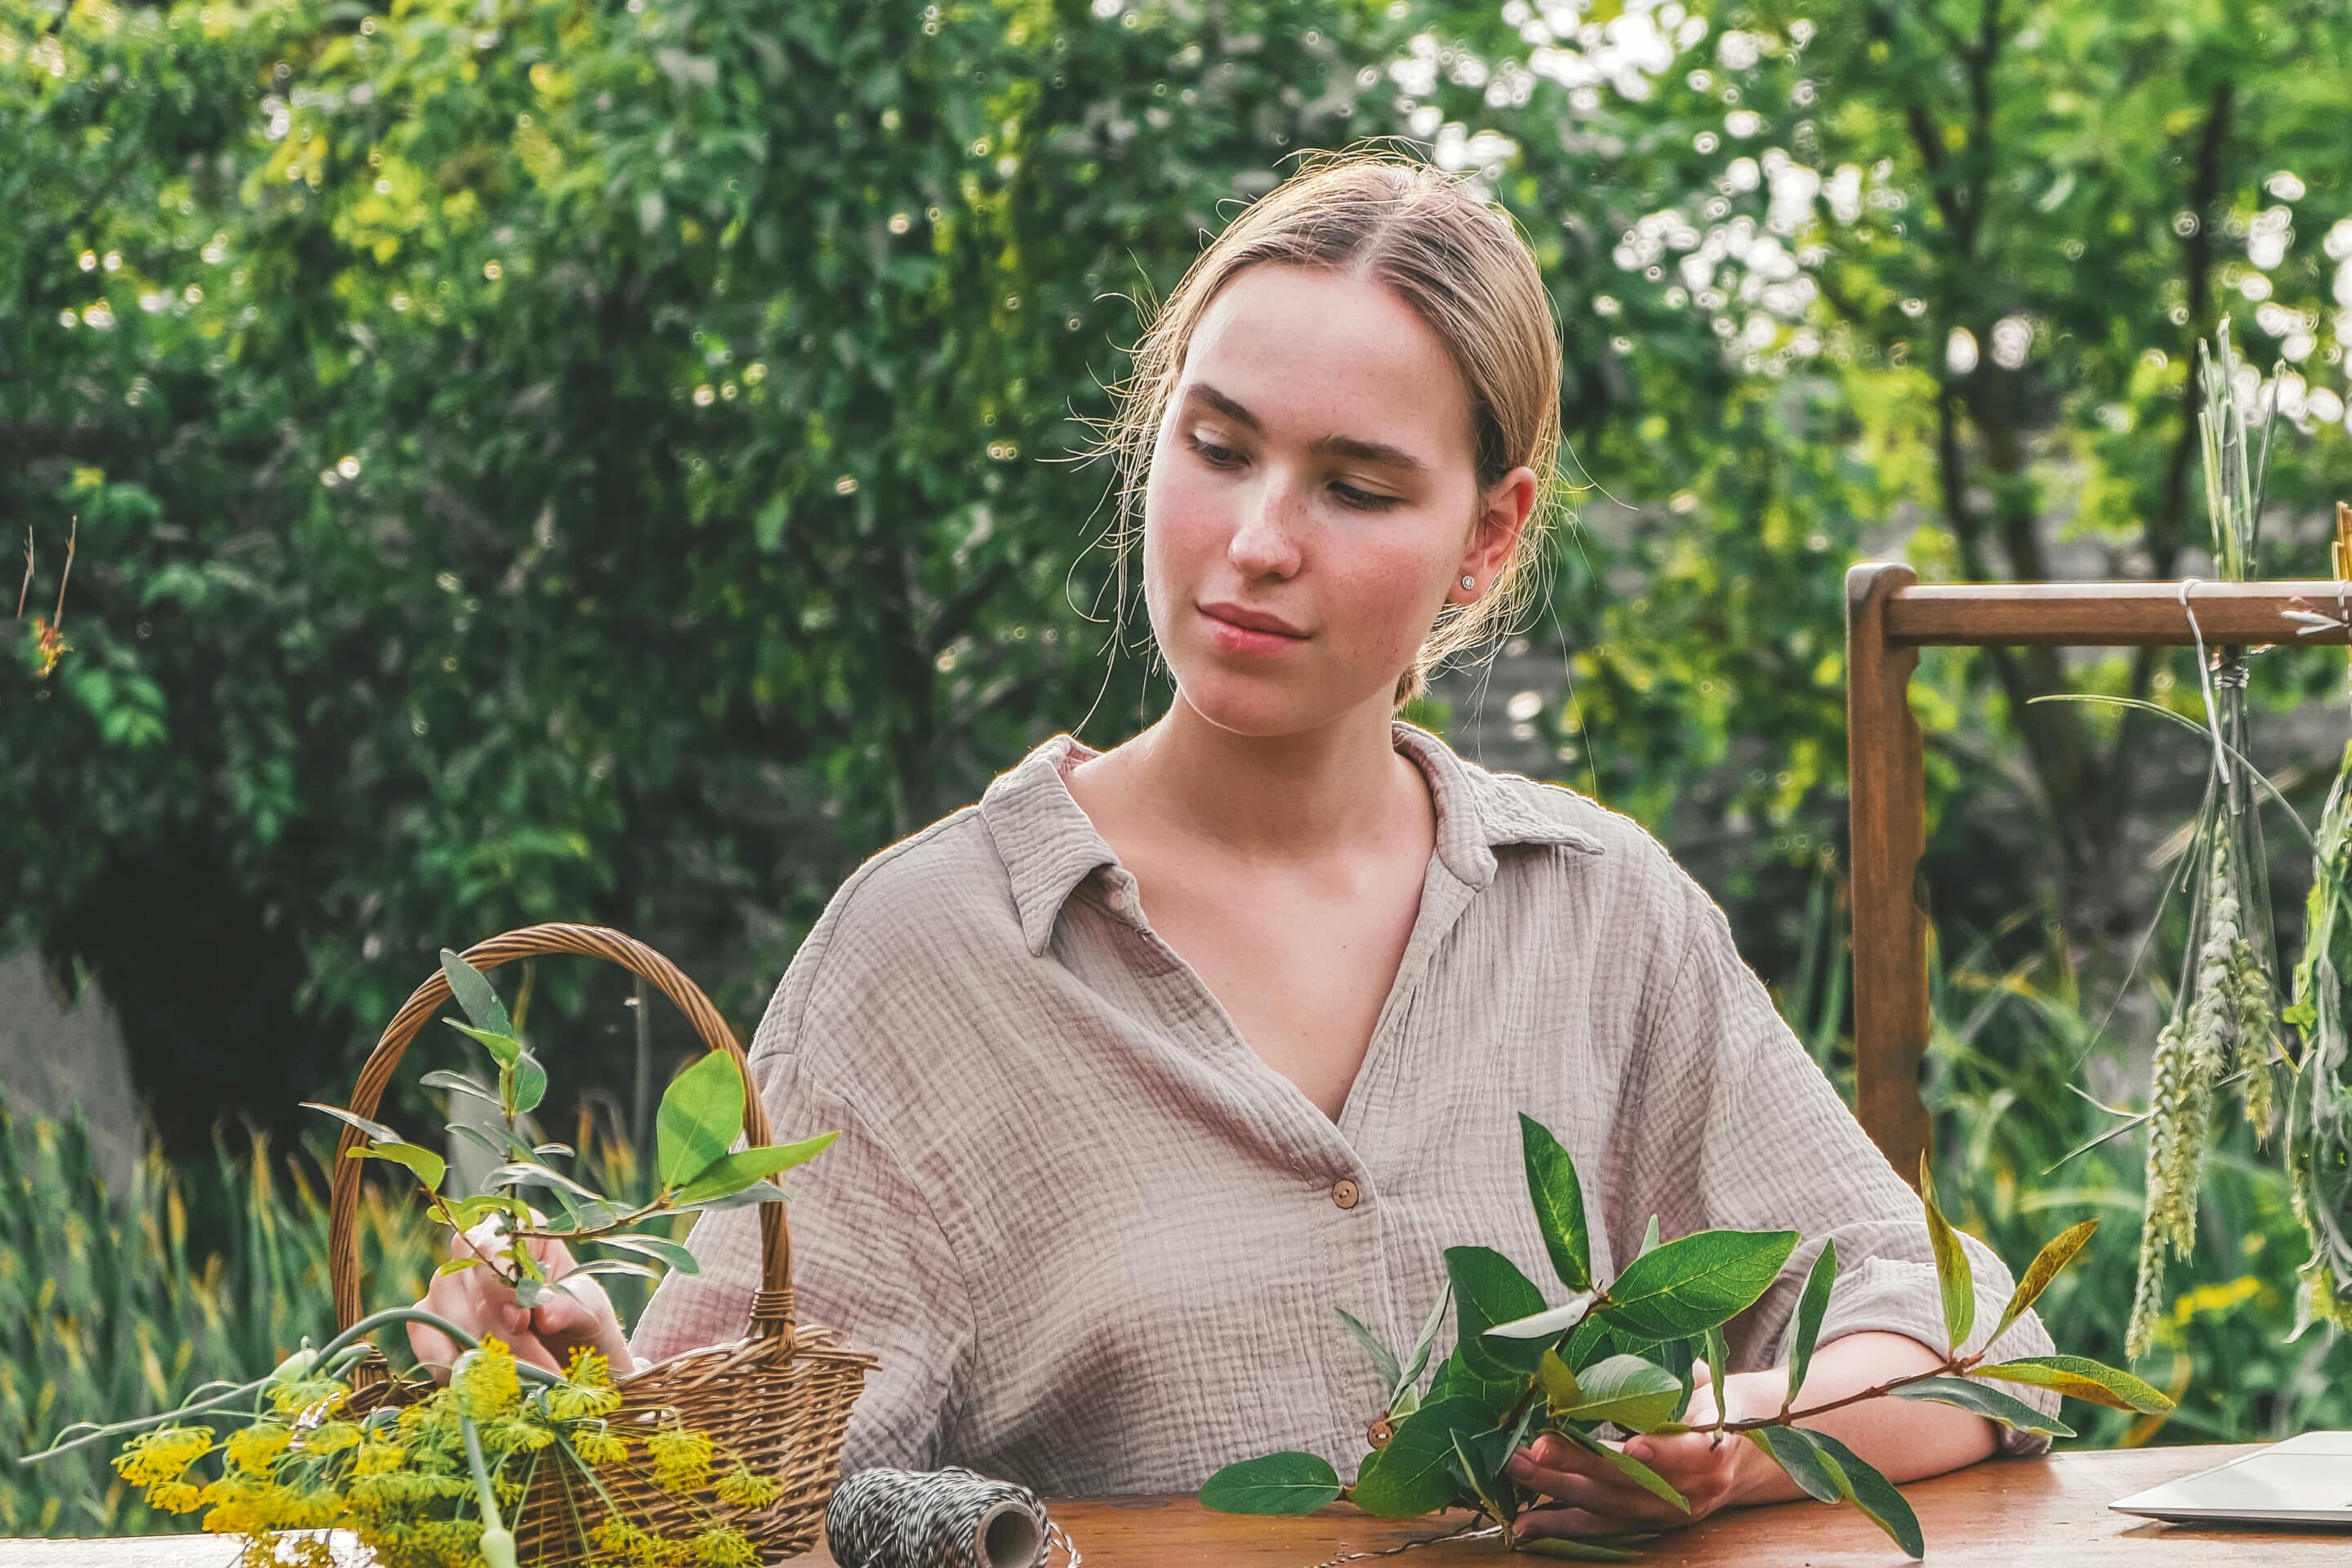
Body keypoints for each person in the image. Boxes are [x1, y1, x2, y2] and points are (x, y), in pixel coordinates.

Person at [410, 148, 2060, 1544]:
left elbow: (1989, 1355)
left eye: (1354, 486)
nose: (1257, 542)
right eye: (1218, 448)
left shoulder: (1602, 917)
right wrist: (567, 1382)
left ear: (1487, 540)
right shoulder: (927, 956)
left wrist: (1731, 1437)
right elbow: (715, 1514)